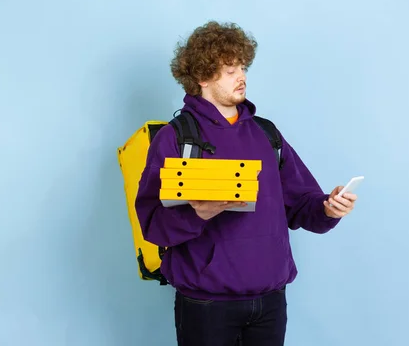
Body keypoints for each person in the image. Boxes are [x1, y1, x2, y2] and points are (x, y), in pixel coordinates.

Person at [134, 21, 358, 346]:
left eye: (242, 66)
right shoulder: (177, 138)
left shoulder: (267, 134)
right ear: (202, 77)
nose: (241, 76)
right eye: (229, 70)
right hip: (207, 305)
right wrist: (199, 213)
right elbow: (153, 225)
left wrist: (328, 207)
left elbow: (302, 205)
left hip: (270, 302)